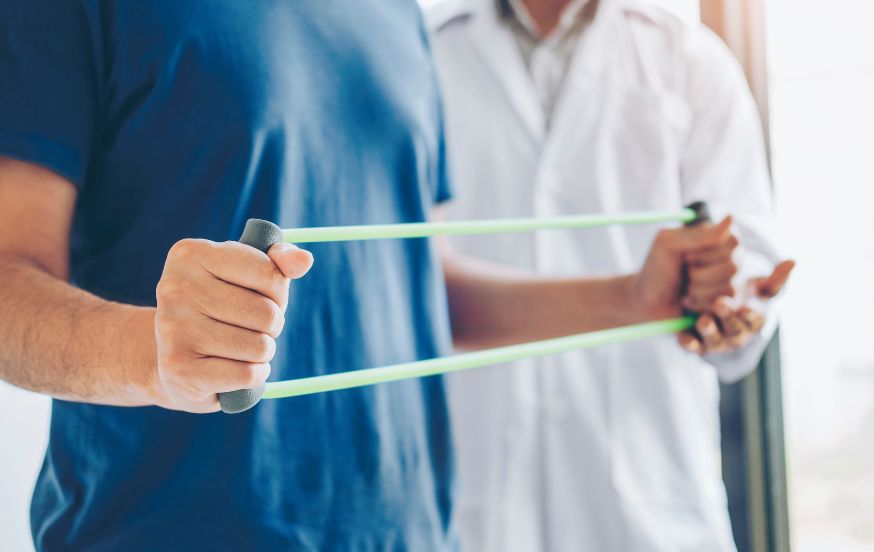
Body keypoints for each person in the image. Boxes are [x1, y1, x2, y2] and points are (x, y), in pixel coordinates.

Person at [0, 1, 743, 550]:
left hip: (412, 534)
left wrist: (630, 300)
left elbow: (424, 290)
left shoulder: (396, 15)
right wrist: (152, 354)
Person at [426, 0, 794, 550]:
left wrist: (731, 300)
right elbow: (418, 287)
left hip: (652, 503)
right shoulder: (429, 53)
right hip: (478, 502)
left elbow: (745, 265)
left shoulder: (689, 58)